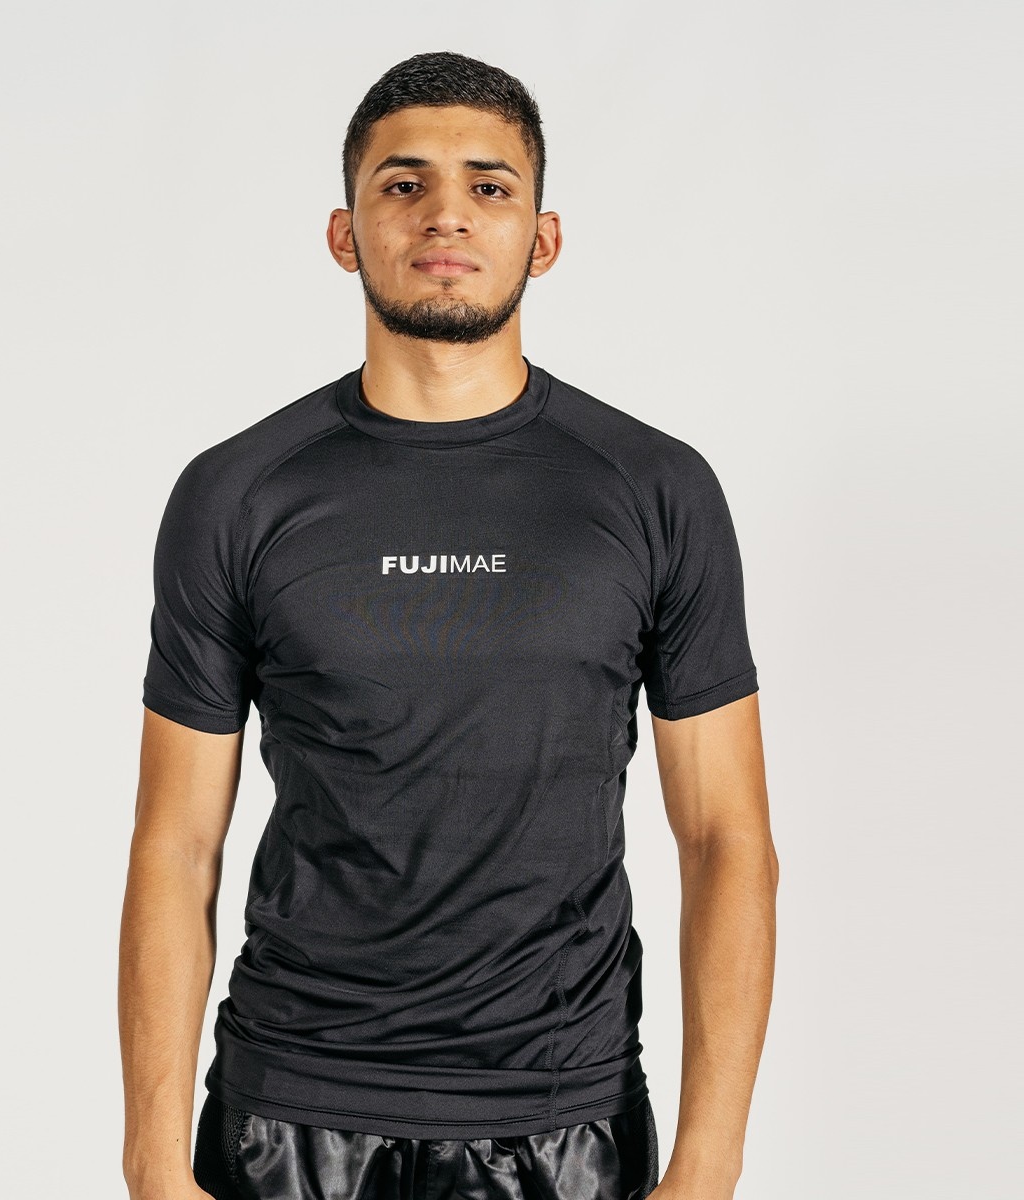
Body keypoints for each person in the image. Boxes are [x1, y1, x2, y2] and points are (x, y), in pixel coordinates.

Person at [119, 48, 778, 1200]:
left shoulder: (654, 489)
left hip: (563, 1117)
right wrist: (152, 1162)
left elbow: (727, 837)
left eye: (489, 185)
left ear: (543, 237)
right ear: (345, 233)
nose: (446, 214)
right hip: (290, 1112)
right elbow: (175, 845)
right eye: (403, 182)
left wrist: (709, 1162)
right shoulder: (237, 494)